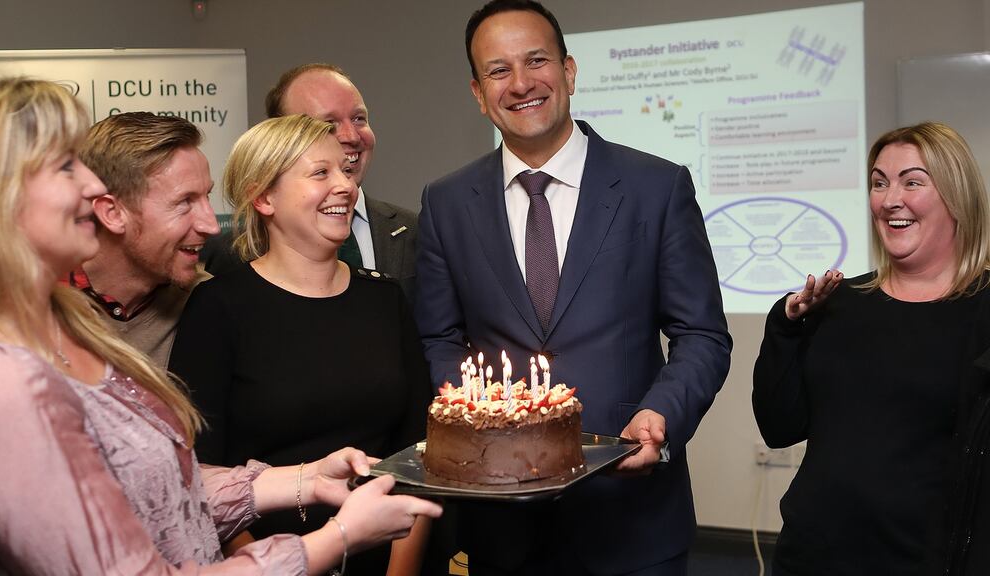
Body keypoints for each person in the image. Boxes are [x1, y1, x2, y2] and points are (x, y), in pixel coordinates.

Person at [0, 78, 441, 574]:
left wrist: (305, 480)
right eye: (67, 168)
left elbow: (164, 493)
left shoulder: (71, 324)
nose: (91, 187)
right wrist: (336, 538)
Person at [413, 1, 732, 574]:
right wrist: (482, 417)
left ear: (569, 70)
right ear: (477, 92)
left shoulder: (656, 188)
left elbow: (702, 334)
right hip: (502, 523)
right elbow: (437, 337)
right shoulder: (446, 202)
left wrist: (661, 413)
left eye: (536, 60)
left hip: (630, 519)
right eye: (498, 70)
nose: (521, 83)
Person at [169, 114, 432, 574]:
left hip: (385, 557)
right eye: (320, 173)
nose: (346, 187)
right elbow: (199, 477)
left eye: (346, 172)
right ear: (264, 197)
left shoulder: (384, 298)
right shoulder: (217, 308)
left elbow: (419, 454)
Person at [754, 122, 990, 576]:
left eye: (912, 181)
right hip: (811, 555)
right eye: (879, 182)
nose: (889, 199)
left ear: (957, 197)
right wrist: (785, 326)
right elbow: (779, 427)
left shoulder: (983, 312)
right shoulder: (838, 302)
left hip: (926, 562)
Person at [202, 64, 418, 302]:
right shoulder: (226, 256)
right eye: (327, 125)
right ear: (282, 133)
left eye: (358, 118)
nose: (351, 136)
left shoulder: (418, 231)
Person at [73, 112, 219, 367]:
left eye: (207, 197)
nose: (212, 225)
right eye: (185, 202)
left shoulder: (210, 302)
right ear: (113, 213)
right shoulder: (30, 306)